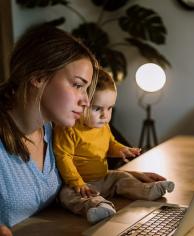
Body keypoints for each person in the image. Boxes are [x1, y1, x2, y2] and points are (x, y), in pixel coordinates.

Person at [0, 23, 99, 236]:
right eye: (77, 85)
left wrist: (126, 180)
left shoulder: (52, 131)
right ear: (38, 78)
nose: (85, 100)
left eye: (86, 88)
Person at [53, 68, 175, 224]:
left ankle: (148, 190)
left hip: (104, 178)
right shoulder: (69, 129)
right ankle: (97, 207)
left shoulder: (103, 126)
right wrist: (77, 182)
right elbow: (63, 157)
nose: (105, 115)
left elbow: (110, 144)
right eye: (98, 109)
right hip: (81, 185)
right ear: (81, 102)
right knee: (67, 195)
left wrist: (122, 149)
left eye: (110, 108)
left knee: (121, 177)